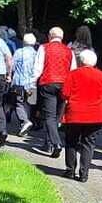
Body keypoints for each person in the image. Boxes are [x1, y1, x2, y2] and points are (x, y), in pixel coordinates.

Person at [61, 48, 102, 181]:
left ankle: (70, 170)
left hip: (75, 114)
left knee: (71, 142)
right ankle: (84, 174)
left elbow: (65, 93)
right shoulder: (101, 75)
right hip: (95, 114)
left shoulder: (73, 74)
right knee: (88, 144)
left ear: (80, 61)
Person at [35, 27, 72, 159]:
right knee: (57, 116)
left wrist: (32, 84)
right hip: (64, 84)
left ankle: (55, 143)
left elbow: (38, 67)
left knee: (49, 116)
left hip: (48, 82)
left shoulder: (44, 48)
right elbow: (72, 70)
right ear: (62, 37)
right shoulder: (69, 50)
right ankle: (49, 142)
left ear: (50, 36)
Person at [9, 32, 41, 132]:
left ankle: (25, 121)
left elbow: (13, 66)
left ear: (23, 41)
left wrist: (9, 75)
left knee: (18, 103)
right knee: (29, 104)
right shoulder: (36, 54)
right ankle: (26, 126)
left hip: (20, 83)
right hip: (33, 83)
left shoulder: (19, 52)